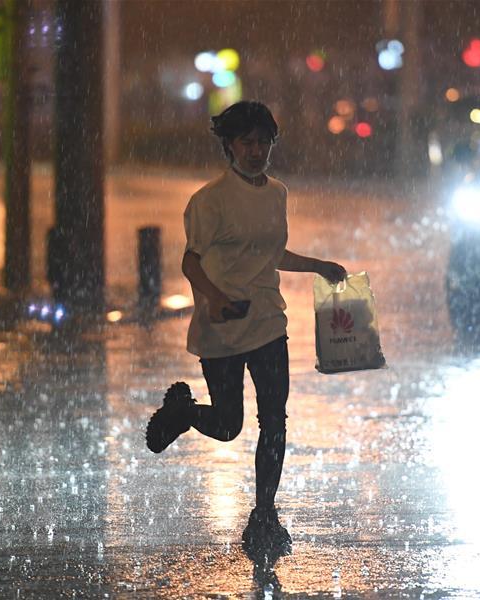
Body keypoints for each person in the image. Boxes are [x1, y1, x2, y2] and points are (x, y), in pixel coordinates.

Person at [145, 101, 346, 555]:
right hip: (222, 327)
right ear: (229, 146)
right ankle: (184, 412)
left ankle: (264, 514)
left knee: (274, 421)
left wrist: (318, 267)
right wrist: (215, 298)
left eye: (263, 142)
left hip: (268, 322)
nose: (256, 151)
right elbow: (189, 261)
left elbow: (271, 253)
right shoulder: (209, 201)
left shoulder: (277, 193)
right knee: (228, 424)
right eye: (247, 142)